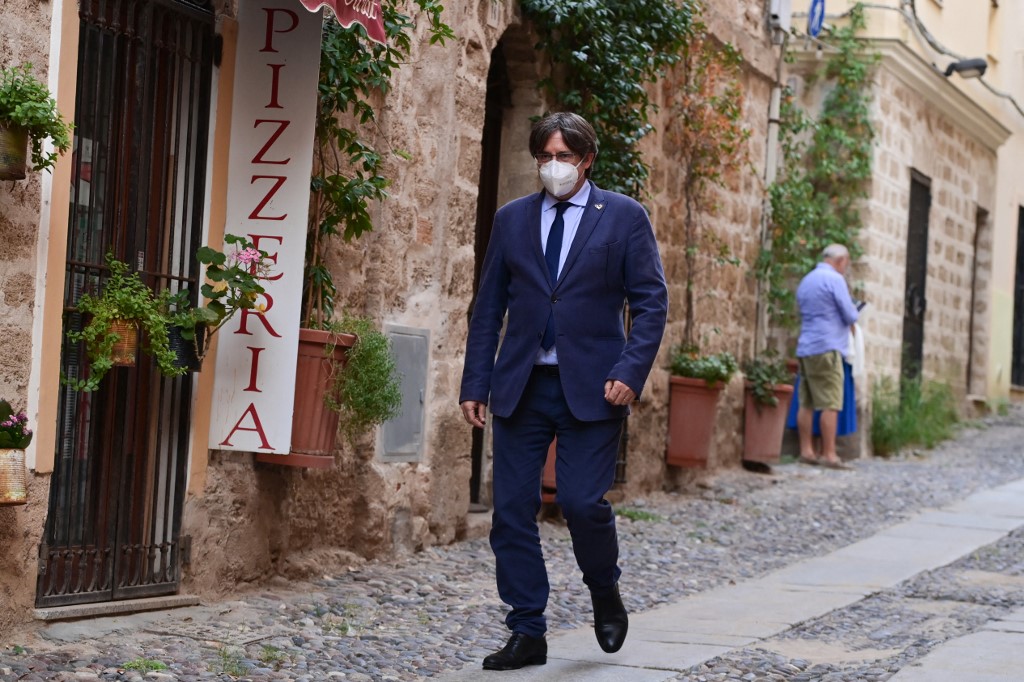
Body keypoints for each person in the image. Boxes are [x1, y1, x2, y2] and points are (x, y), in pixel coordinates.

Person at [459, 112, 668, 670]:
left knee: (579, 502)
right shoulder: (512, 220)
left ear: (587, 160)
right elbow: (488, 310)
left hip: (596, 388)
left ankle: (605, 588)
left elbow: (651, 301)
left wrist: (631, 370)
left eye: (565, 157)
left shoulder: (623, 217)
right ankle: (527, 629)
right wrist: (475, 382)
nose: (554, 167)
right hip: (522, 386)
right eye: (545, 157)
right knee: (511, 512)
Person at [795, 244, 860, 470]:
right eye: (846, 263)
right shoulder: (835, 280)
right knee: (830, 403)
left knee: (806, 402)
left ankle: (806, 451)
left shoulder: (807, 280)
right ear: (840, 260)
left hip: (806, 346)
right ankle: (829, 454)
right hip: (828, 347)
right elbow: (850, 314)